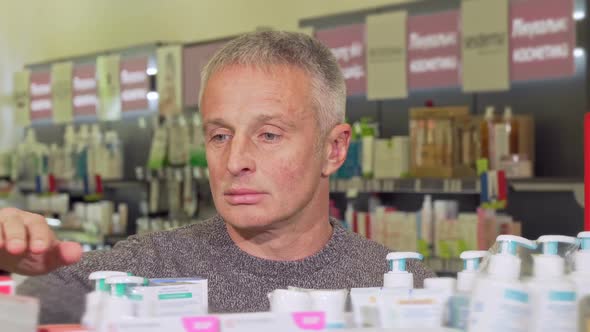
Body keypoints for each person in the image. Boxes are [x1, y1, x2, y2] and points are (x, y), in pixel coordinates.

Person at [0, 31, 434, 324]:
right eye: (220, 135)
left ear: (334, 149)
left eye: (269, 134)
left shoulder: (401, 284)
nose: (235, 160)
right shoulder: (143, 269)